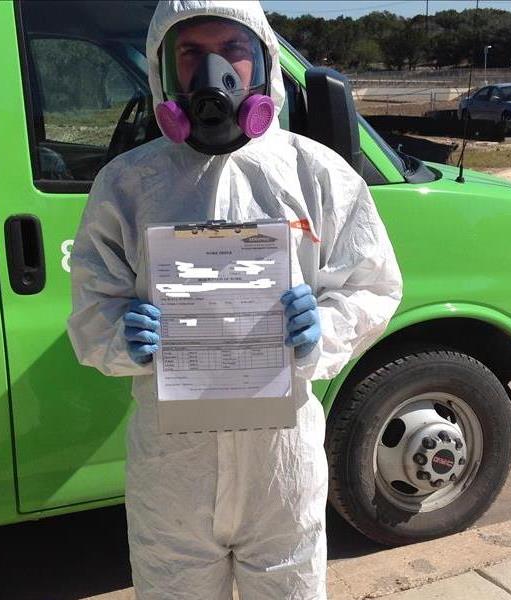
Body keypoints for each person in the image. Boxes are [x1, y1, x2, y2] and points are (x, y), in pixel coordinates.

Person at [67, 1, 402, 598]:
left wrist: (322, 327)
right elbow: (94, 306)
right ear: (162, 70)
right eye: (191, 53)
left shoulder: (313, 172)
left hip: (282, 462)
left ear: (263, 63)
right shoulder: (128, 183)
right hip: (173, 469)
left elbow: (371, 284)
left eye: (232, 50)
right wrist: (123, 337)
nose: (212, 71)